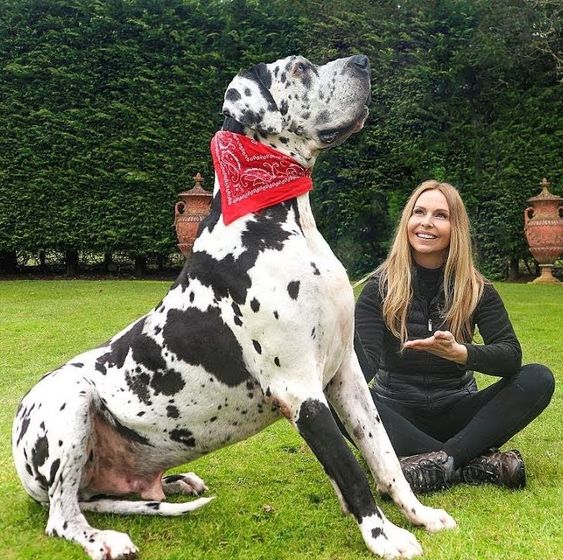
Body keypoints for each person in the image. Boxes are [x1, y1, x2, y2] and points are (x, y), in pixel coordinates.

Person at [352, 180, 555, 493]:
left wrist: (462, 353)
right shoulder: (379, 288)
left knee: (539, 378)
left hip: (458, 412)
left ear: (455, 227)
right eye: (419, 212)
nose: (427, 223)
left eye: (440, 215)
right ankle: (470, 462)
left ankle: (438, 460)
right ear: (407, 220)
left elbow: (510, 356)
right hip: (396, 414)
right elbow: (361, 372)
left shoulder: (477, 289)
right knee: (333, 393)